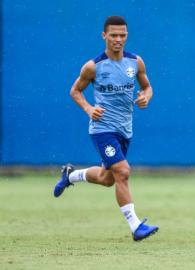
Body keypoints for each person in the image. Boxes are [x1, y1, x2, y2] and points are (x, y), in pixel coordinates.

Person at [53, 16, 159, 241]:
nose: (118, 40)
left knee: (107, 178)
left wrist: (145, 98)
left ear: (127, 36)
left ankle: (70, 176)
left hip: (124, 130)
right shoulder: (93, 66)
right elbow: (75, 91)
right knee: (123, 172)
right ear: (104, 36)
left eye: (122, 35)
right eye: (113, 35)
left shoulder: (136, 62)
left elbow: (148, 87)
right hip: (102, 128)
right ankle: (136, 226)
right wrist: (89, 109)